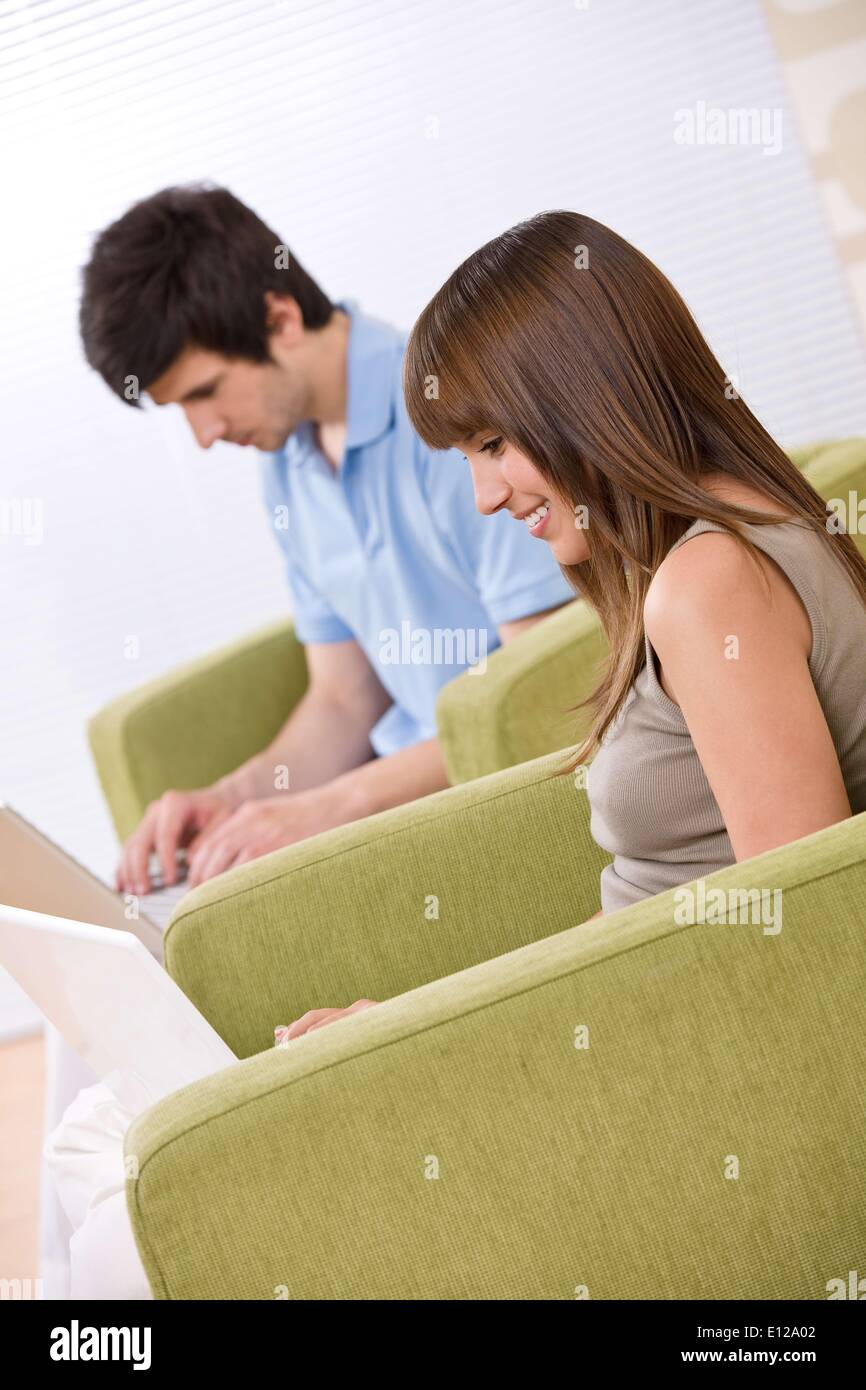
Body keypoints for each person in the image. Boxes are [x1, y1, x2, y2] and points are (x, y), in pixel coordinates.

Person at [50, 208, 866, 1299]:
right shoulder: (705, 551)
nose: (483, 496)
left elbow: (794, 935)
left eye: (491, 446)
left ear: (582, 399)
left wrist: (455, 1034)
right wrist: (425, 1014)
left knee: (120, 1214)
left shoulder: (707, 581)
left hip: (657, 1058)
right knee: (111, 1132)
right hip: (618, 1013)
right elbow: (687, 902)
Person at [79, 184, 574, 896]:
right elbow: (344, 699)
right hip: (396, 798)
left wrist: (332, 808)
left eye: (204, 392)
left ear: (279, 318)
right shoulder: (286, 462)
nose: (205, 433)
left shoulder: (448, 418)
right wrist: (235, 798)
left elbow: (540, 696)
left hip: (494, 797)